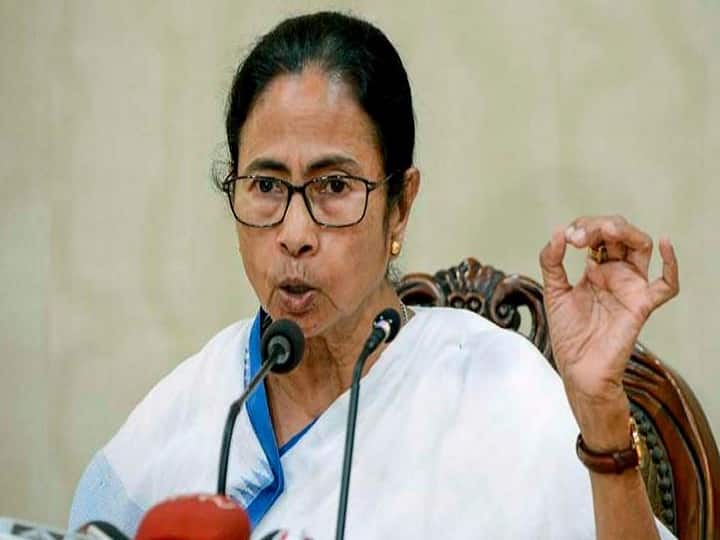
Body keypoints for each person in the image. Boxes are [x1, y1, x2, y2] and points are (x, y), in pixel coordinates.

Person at [69, 11, 679, 539]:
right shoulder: (189, 412)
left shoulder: (494, 391)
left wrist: (601, 420)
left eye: (334, 186)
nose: (295, 233)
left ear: (401, 205)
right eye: (266, 185)